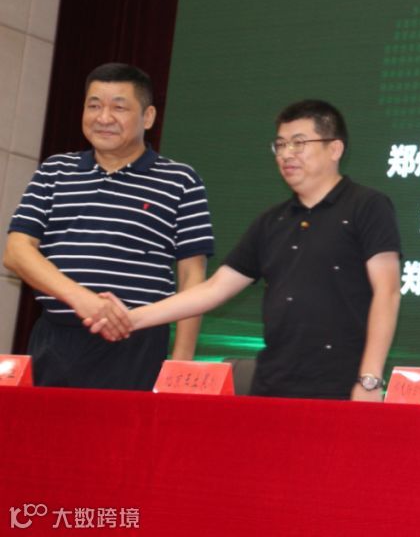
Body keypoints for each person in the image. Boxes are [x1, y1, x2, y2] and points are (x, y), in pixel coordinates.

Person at [89, 100, 402, 401]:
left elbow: (386, 292)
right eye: (280, 145)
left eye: (299, 143)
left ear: (334, 149)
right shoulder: (272, 222)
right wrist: (132, 318)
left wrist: (370, 378)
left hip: (341, 386)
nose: (286, 154)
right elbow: (214, 289)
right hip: (272, 386)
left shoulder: (367, 206)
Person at [3, 63, 214, 389]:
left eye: (119, 107)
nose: (103, 118)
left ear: (148, 117)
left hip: (137, 346)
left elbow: (192, 277)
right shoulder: (54, 171)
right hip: (55, 341)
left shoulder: (180, 180)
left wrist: (181, 362)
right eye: (94, 106)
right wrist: (82, 299)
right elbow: (16, 252)